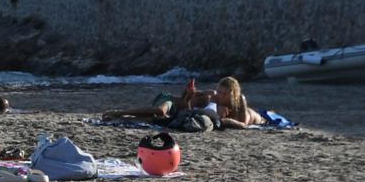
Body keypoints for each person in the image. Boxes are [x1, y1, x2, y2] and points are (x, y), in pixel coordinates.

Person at [106, 76, 264, 128]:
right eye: (220, 92)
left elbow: (242, 124)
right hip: (169, 101)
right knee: (160, 112)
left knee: (157, 121)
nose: (221, 96)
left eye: (225, 94)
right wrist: (189, 95)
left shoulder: (239, 101)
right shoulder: (211, 97)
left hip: (175, 112)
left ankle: (119, 118)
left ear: (234, 94)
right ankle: (118, 112)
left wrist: (222, 120)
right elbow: (187, 103)